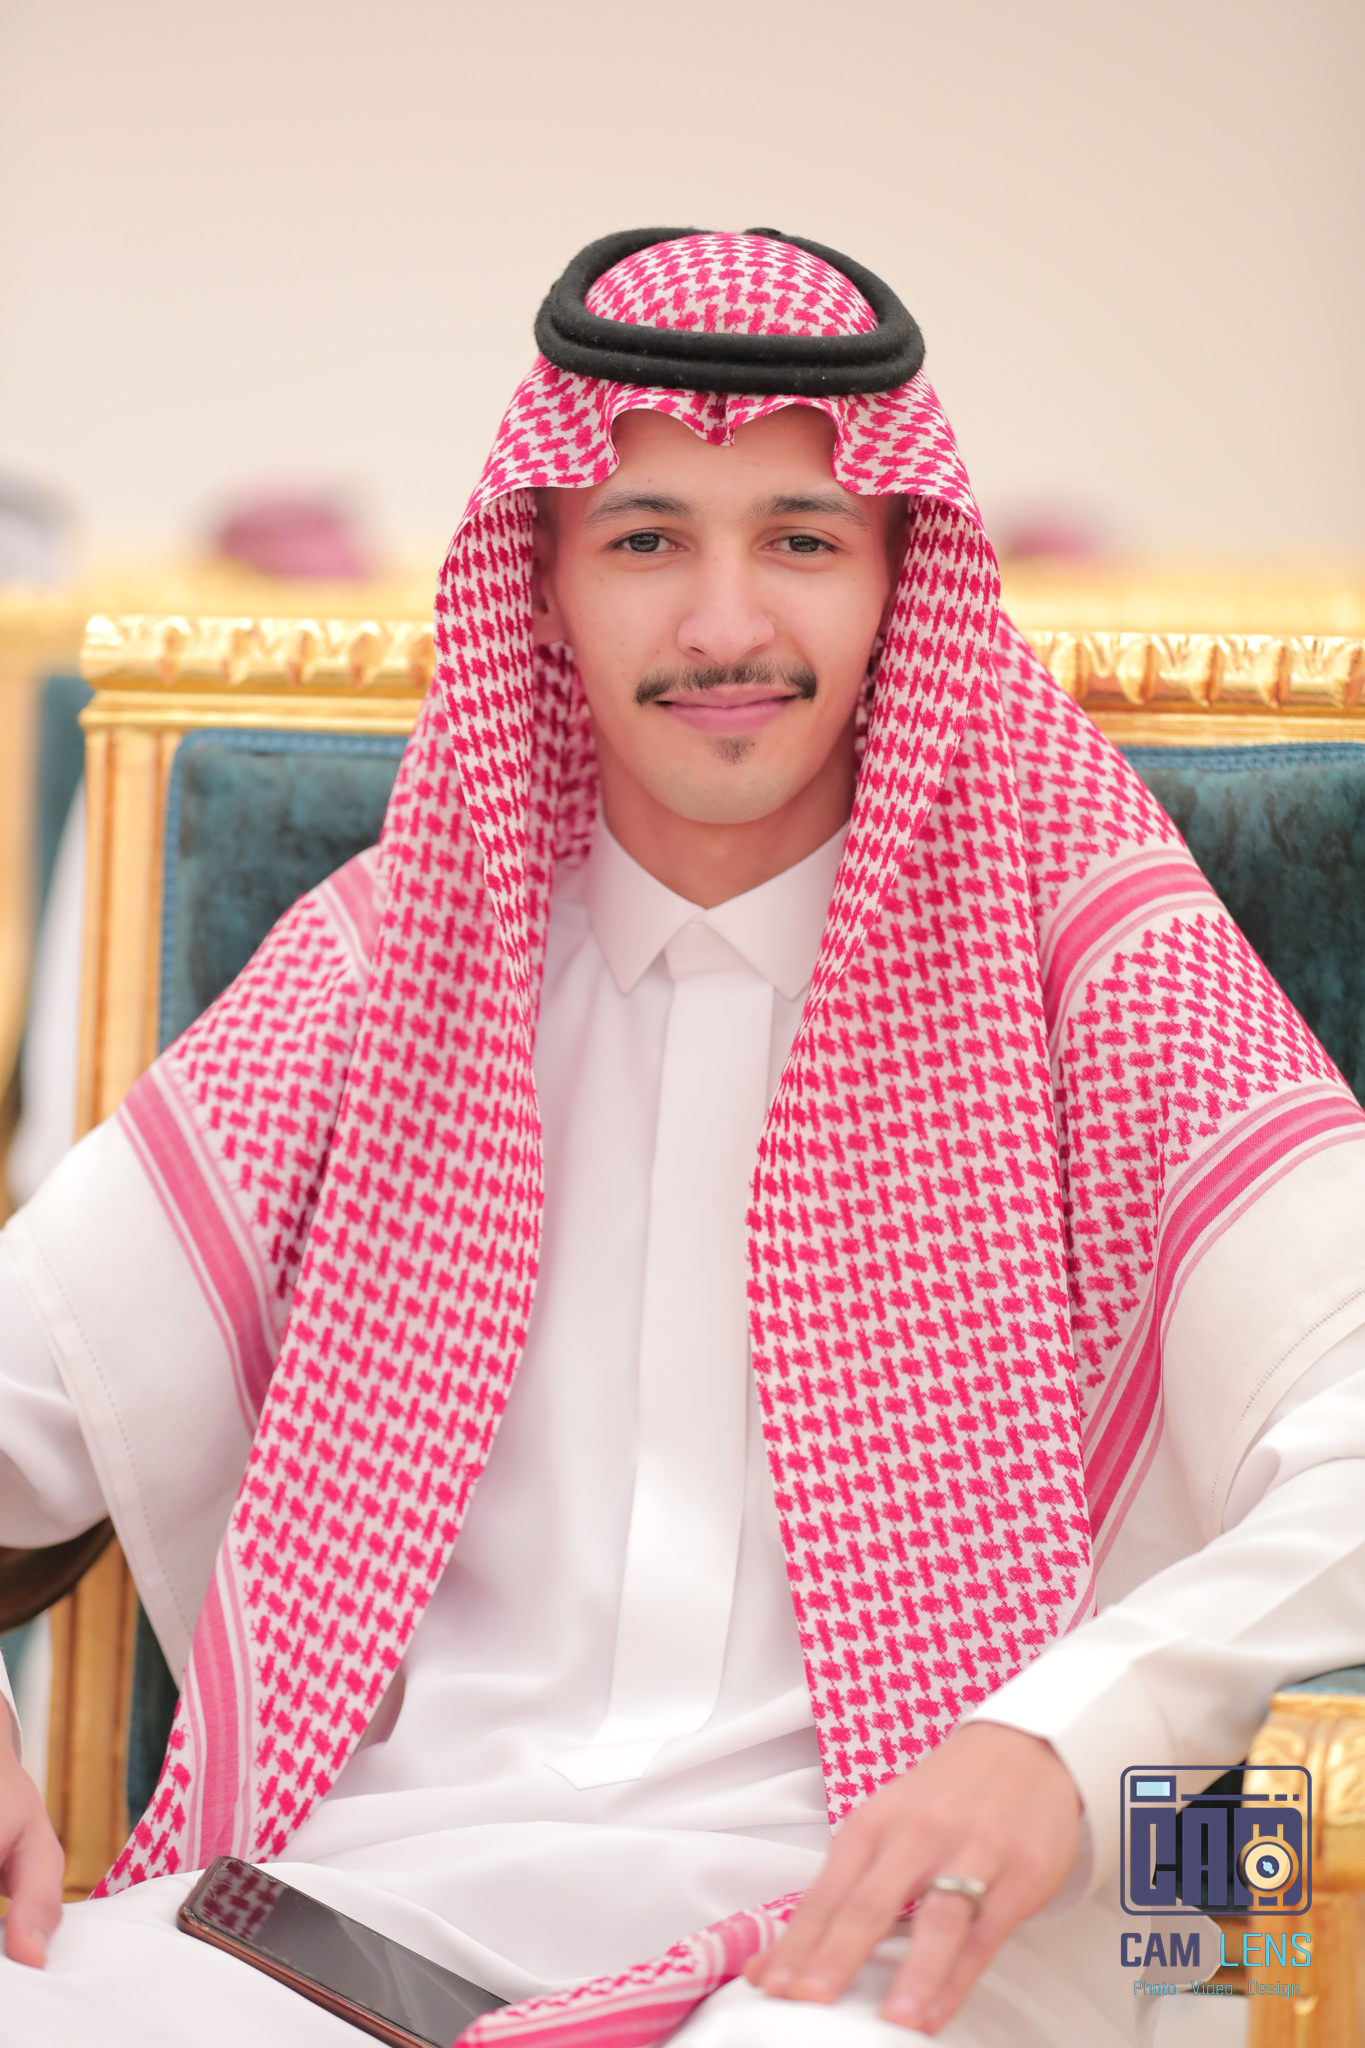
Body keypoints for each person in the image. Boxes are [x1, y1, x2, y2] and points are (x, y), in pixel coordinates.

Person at [1, 227, 1364, 2048]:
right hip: (355, 1927)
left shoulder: (1087, 960)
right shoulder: (393, 967)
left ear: (897, 579)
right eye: (646, 541)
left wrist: (1065, 1737)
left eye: (799, 539)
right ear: (545, 582)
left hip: (893, 1947)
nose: (725, 626)